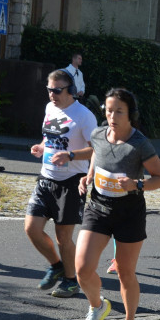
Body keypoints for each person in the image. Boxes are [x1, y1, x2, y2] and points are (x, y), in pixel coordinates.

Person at [75, 88, 160, 320]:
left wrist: (136, 184)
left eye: (118, 111)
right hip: (98, 208)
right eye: (108, 110)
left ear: (130, 114)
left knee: (125, 272)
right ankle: (98, 307)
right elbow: (96, 152)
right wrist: (89, 177)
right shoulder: (98, 135)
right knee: (82, 268)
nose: (112, 116)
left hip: (129, 212)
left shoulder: (139, 144)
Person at [26, 69, 97, 298]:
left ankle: (70, 280)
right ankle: (56, 265)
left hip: (71, 181)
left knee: (63, 237)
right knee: (32, 229)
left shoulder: (84, 115)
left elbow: (96, 149)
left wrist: (71, 155)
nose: (52, 94)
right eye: (49, 89)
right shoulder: (50, 108)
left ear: (71, 91)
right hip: (46, 177)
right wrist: (41, 147)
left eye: (57, 90)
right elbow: (50, 138)